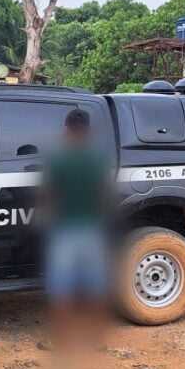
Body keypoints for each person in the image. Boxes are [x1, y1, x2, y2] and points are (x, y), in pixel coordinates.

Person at [40, 108, 112, 353]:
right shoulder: (98, 160)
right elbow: (104, 197)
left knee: (61, 287)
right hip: (92, 228)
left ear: (66, 131)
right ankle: (99, 340)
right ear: (89, 131)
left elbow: (50, 198)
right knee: (97, 285)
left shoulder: (58, 160)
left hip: (65, 229)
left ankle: (61, 341)